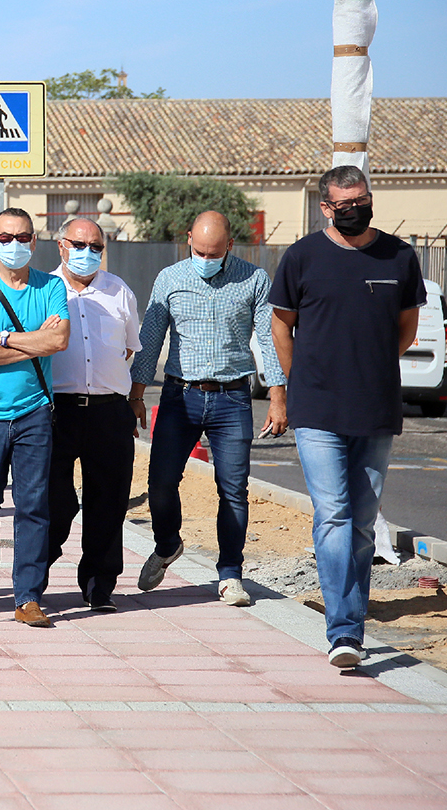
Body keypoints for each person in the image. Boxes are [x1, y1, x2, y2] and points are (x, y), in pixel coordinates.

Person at [270, 166, 424, 668]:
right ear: (326, 208)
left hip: (376, 409)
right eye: (344, 203)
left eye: (362, 199)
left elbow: (405, 328)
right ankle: (345, 632)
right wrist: (299, 387)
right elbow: (281, 326)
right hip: (317, 410)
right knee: (333, 514)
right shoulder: (302, 257)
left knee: (360, 522)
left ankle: (349, 625)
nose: (355, 208)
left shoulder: (400, 256)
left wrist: (371, 368)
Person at [130, 211, 288, 607]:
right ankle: (167, 544)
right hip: (179, 397)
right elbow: (150, 339)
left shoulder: (253, 279)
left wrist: (278, 396)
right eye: (199, 250)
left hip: (232, 399)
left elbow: (269, 340)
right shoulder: (170, 278)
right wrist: (135, 395)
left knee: (233, 490)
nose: (205, 258)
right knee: (161, 484)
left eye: (214, 252)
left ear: (230, 246)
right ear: (189, 241)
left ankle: (231, 574)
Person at [0, 208, 70, 627]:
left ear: (34, 241)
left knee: (33, 505)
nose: (14, 245)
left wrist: (0, 337)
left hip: (34, 411)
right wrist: (31, 341)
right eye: (5, 237)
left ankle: (27, 596)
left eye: (22, 237)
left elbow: (58, 340)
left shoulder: (51, 286)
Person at [44, 218, 140, 612]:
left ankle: (99, 586)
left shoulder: (119, 291)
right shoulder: (44, 289)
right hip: (56, 412)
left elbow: (130, 347)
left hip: (108, 413)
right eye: (79, 244)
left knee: (109, 502)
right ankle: (34, 578)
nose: (88, 253)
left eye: (96, 246)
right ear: (61, 246)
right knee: (53, 501)